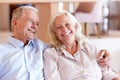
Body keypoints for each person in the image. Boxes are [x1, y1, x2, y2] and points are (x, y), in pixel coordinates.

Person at [43, 10, 119, 80]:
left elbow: (108, 74)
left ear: (75, 26)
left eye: (67, 24)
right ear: (55, 33)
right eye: (58, 27)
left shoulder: (90, 46)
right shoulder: (51, 54)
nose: (64, 29)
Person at [0, 6, 47, 80]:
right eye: (31, 21)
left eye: (37, 23)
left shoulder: (42, 47)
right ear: (15, 23)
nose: (35, 26)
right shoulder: (1, 51)